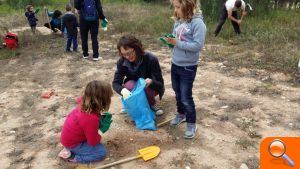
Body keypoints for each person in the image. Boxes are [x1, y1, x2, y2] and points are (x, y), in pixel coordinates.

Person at [165, 0, 206, 139]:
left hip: (188, 66)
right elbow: (176, 39)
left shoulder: (198, 23)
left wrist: (178, 43)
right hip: (175, 63)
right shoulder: (178, 20)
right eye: (175, 7)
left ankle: (191, 123)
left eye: (178, 7)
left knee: (186, 96)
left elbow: (197, 46)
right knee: (177, 92)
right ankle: (181, 114)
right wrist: (170, 42)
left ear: (188, 6)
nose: (175, 10)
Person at [59, 80, 113, 163]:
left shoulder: (83, 103)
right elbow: (93, 141)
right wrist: (98, 135)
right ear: (102, 100)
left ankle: (70, 149)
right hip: (73, 143)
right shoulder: (90, 119)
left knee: (95, 144)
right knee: (101, 152)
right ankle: (73, 157)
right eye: (108, 97)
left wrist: (98, 120)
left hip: (68, 138)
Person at [112, 35, 165, 116]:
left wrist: (151, 82)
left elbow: (160, 84)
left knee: (144, 86)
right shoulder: (122, 61)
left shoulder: (151, 59)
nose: (127, 56)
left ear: (136, 48)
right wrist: (122, 90)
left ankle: (151, 104)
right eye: (124, 54)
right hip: (133, 87)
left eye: (129, 53)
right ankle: (130, 104)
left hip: (150, 88)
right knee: (128, 85)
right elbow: (116, 83)